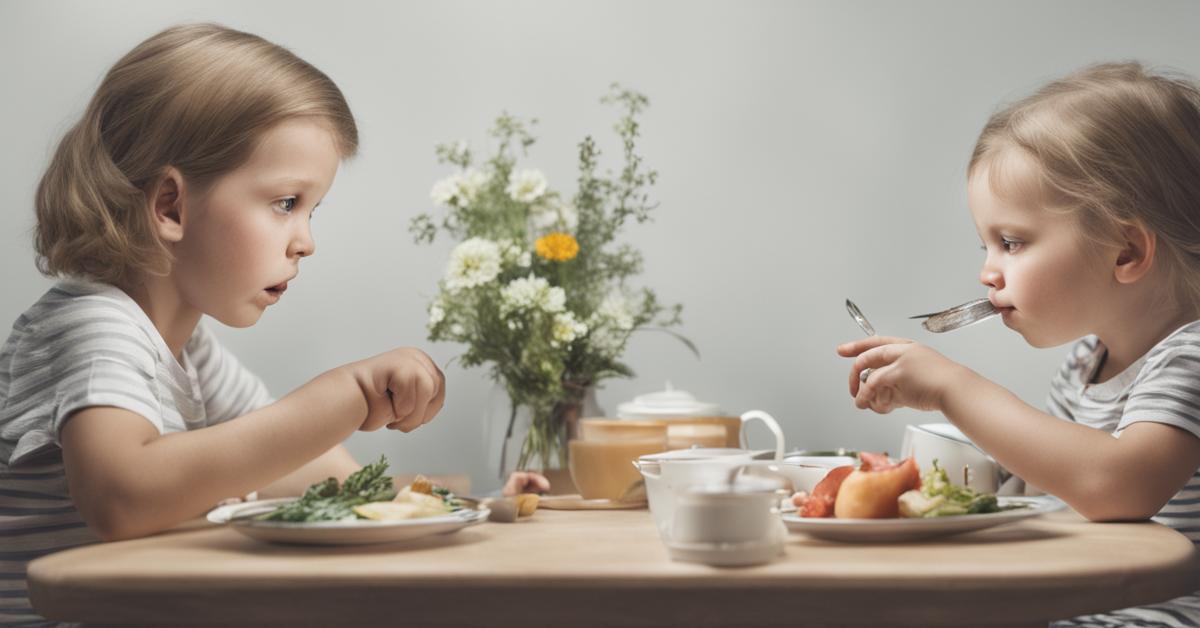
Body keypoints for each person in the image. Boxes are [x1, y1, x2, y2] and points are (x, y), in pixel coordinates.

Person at [0, 23, 458, 627]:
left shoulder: (187, 348)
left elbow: (285, 463)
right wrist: (343, 396)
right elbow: (123, 498)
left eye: (312, 210)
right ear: (171, 206)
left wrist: (422, 507)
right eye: (286, 203)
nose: (307, 242)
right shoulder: (93, 329)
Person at [839, 62, 1200, 626]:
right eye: (988, 244)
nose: (988, 272)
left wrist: (953, 388)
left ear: (1125, 251)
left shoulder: (1191, 357)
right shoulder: (1087, 364)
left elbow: (1116, 487)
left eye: (1011, 242)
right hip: (1086, 605)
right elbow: (1036, 483)